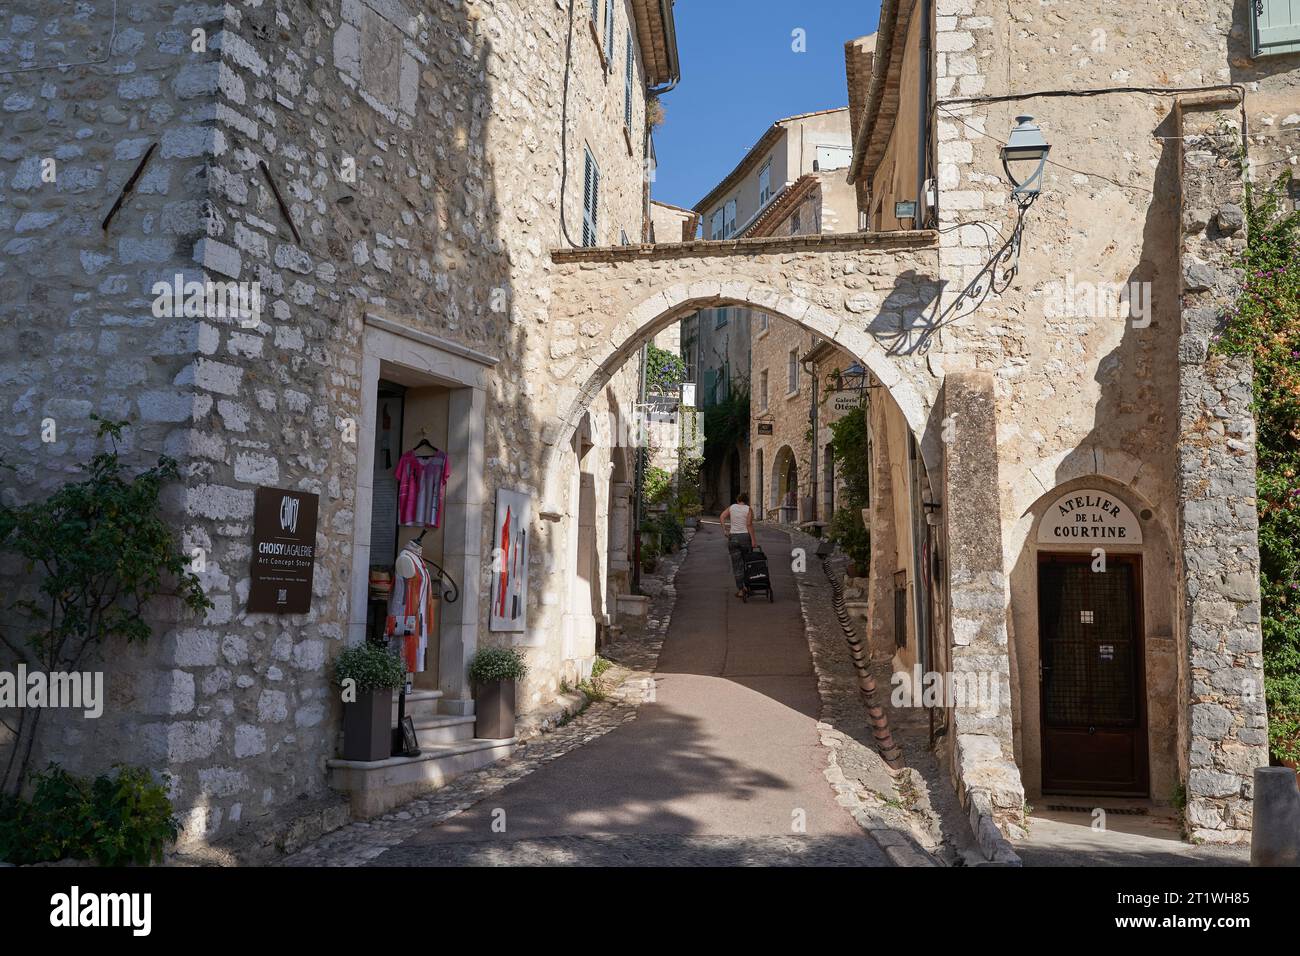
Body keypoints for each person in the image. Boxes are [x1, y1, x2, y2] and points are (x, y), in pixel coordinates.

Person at [720, 492, 757, 599]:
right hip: (745, 538)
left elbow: (722, 516)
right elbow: (749, 525)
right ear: (747, 501)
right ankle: (749, 587)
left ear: (738, 500)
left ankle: (741, 590)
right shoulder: (748, 509)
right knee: (747, 563)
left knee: (737, 565)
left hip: (733, 538)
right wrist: (754, 540)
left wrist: (725, 530)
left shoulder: (732, 507)